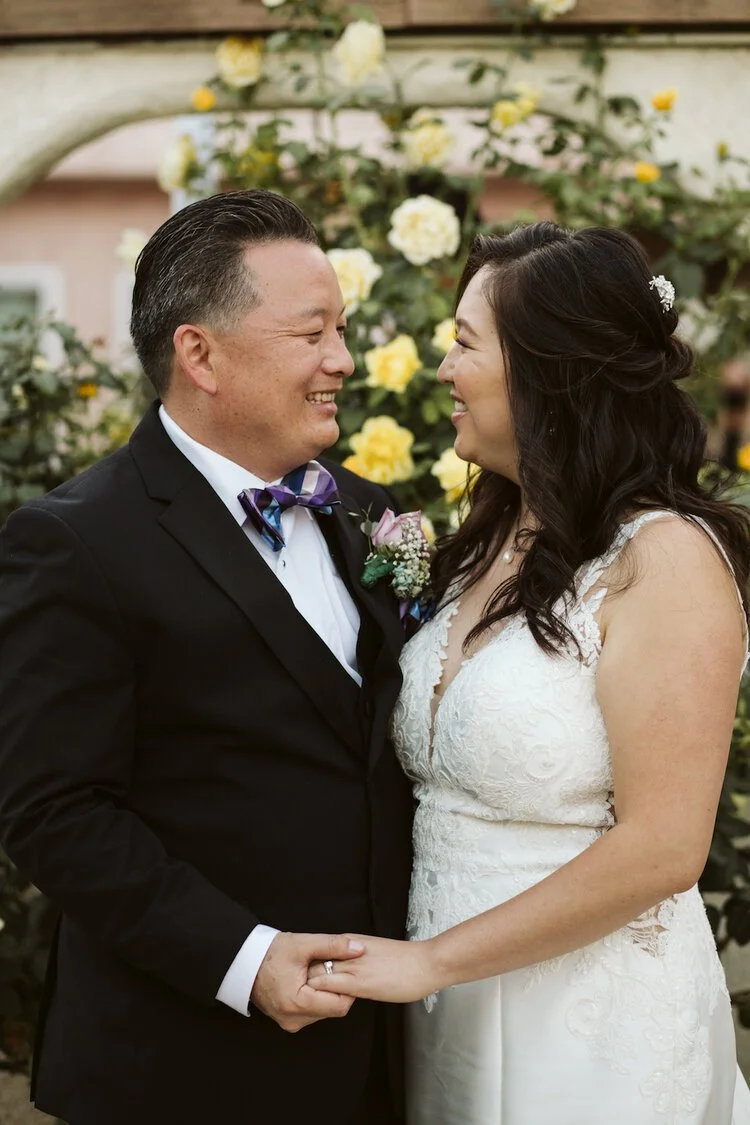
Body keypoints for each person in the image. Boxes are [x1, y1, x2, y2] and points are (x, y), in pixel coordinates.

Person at [308, 222, 750, 1124]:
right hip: (447, 1012)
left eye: (465, 344)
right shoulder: (484, 543)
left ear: (551, 370)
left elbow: (665, 846)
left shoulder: (664, 558)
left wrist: (430, 962)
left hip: (589, 1026)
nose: (443, 371)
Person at [0, 189, 413, 1125]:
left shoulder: (369, 509)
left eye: (343, 330)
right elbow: (53, 812)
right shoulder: (76, 541)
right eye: (312, 332)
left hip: (380, 1061)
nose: (342, 360)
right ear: (200, 354)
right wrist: (246, 958)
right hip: (181, 1069)